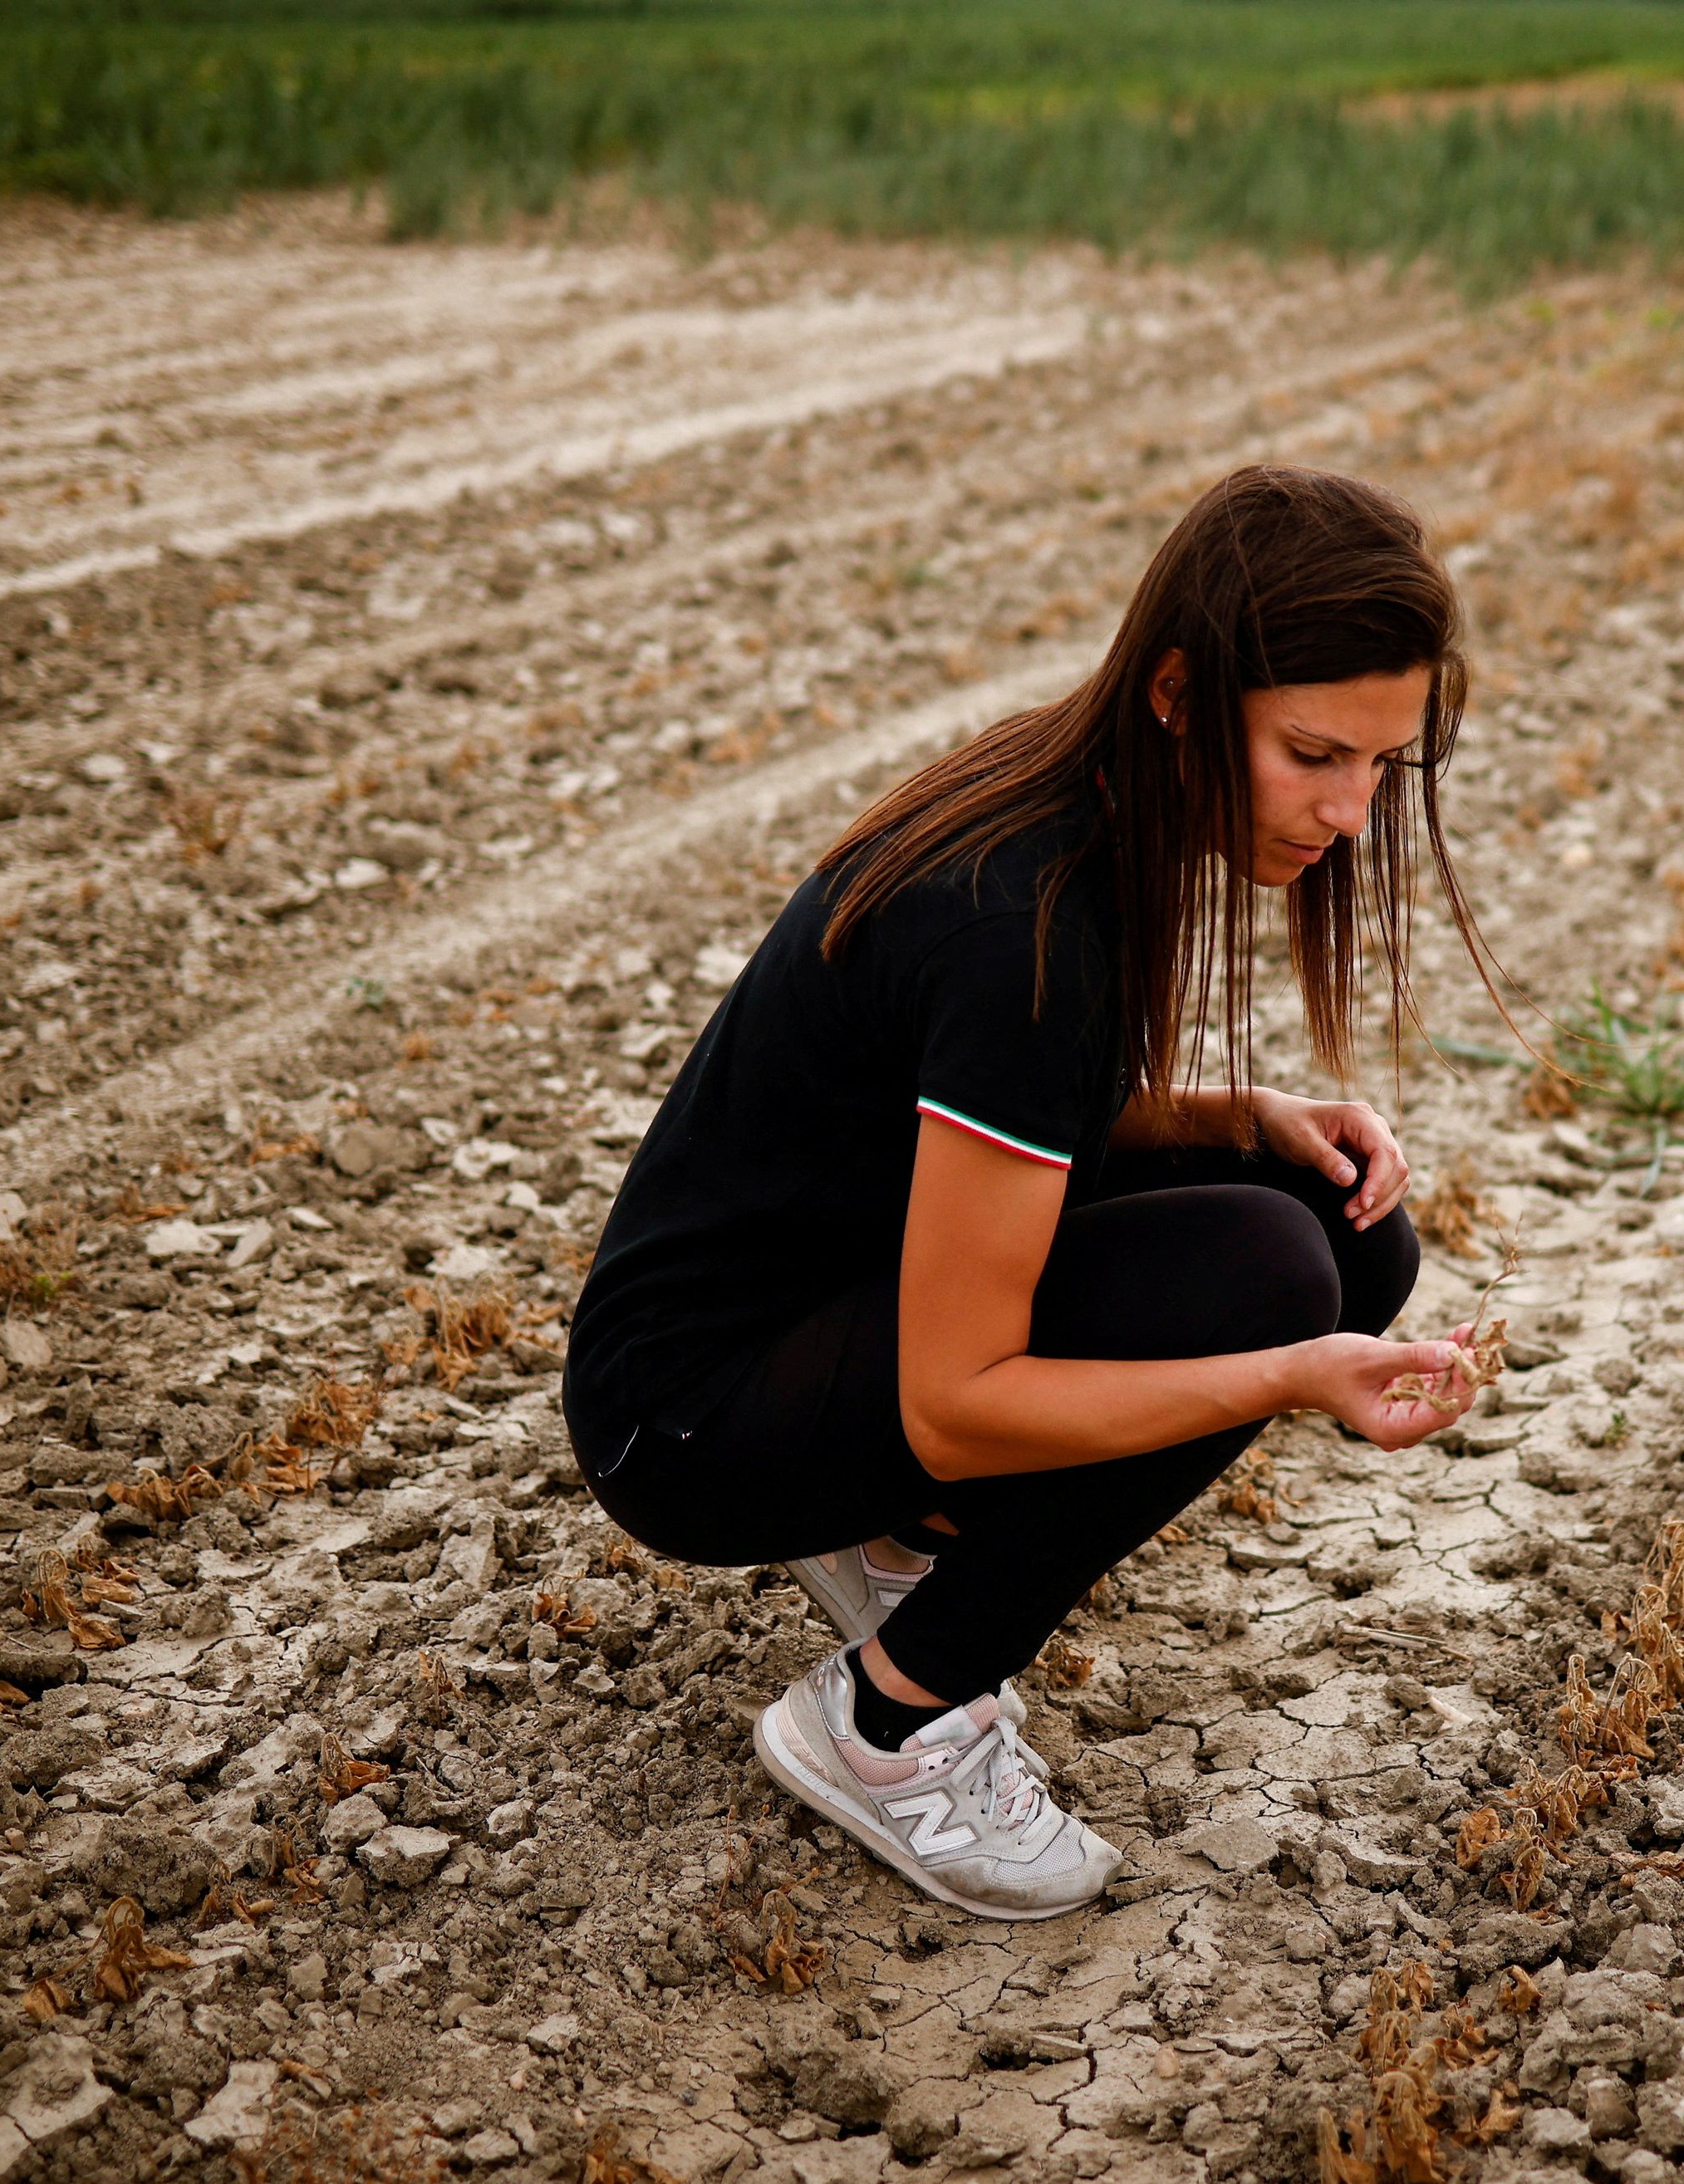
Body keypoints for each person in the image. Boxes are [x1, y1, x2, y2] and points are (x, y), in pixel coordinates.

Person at [563, 464, 1508, 1921]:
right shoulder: (1026, 916)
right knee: (1273, 1277)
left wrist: (1236, 1114)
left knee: (1336, 1227)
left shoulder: (1095, 802)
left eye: (1385, 766)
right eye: (1317, 753)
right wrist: (1288, 1375)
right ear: (1183, 694)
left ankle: (909, 1543)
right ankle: (887, 1722)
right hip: (690, 1414)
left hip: (835, 1296)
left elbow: (993, 1118)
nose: (1354, 815)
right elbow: (956, 1398)